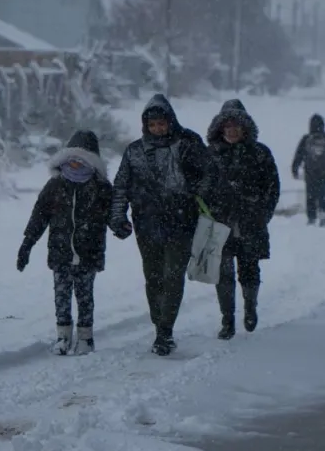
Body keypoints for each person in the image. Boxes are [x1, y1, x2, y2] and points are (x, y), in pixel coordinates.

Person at [109, 93, 218, 356]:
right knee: (153, 277)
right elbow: (121, 185)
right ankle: (159, 323)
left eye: (162, 123)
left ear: (171, 122)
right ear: (146, 125)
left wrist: (195, 193)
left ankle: (165, 331)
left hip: (181, 220)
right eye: (153, 124)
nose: (158, 128)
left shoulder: (187, 144)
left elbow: (210, 174)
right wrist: (117, 217)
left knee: (173, 276)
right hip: (147, 223)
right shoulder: (135, 151)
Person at [17, 130, 114, 356]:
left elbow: (113, 215)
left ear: (92, 162)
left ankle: (85, 338)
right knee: (61, 295)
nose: (76, 164)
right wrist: (27, 244)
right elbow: (39, 216)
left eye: (82, 160)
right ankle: (63, 336)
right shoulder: (55, 185)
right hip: (60, 252)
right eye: (72, 159)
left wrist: (121, 226)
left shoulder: (101, 188)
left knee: (84, 296)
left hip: (88, 253)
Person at [205, 99, 280, 340]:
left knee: (249, 269)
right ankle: (227, 320)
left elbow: (272, 188)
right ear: (220, 128)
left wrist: (262, 214)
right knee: (223, 272)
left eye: (237, 125)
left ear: (245, 127)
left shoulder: (260, 153)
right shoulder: (210, 155)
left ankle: (250, 308)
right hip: (220, 223)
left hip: (251, 223)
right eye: (227, 126)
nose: (232, 130)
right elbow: (199, 188)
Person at [291, 114, 325, 227]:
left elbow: (298, 154)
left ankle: (311, 217)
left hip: (309, 171)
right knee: (323, 193)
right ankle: (323, 213)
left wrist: (294, 168)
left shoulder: (306, 139)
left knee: (310, 194)